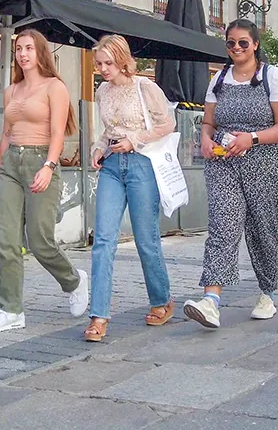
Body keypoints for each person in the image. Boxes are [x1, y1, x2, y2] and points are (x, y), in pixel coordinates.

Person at [184, 20, 278, 328]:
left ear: (256, 44)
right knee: (223, 224)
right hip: (224, 163)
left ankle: (267, 293)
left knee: (264, 230)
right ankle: (211, 300)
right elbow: (208, 122)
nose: (236, 49)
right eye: (231, 43)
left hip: (267, 162)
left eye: (243, 43)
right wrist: (205, 139)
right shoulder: (219, 79)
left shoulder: (272, 77)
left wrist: (252, 138)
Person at [0, 29, 89, 334]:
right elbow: (5, 134)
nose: (22, 54)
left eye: (29, 48)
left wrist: (48, 165)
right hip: (10, 166)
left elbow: (58, 133)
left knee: (39, 241)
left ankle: (74, 281)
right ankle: (11, 309)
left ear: (40, 52)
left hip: (41, 160)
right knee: (6, 241)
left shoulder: (54, 87)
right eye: (18, 49)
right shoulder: (11, 90)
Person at [83, 34, 176, 342]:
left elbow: (167, 125)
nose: (103, 69)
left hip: (141, 164)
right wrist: (98, 147)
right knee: (104, 239)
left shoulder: (145, 87)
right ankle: (98, 316)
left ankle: (162, 300)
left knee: (146, 239)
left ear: (123, 61)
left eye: (108, 63)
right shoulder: (102, 91)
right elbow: (106, 131)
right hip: (111, 165)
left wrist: (134, 140)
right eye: (99, 64)